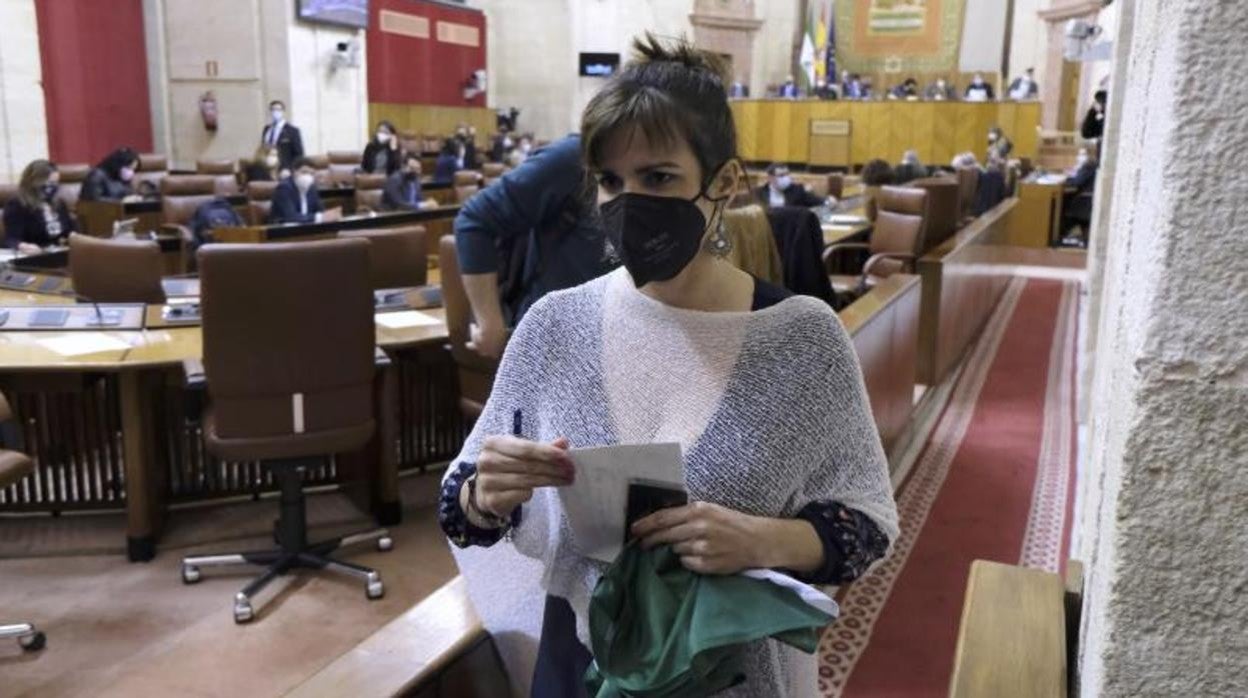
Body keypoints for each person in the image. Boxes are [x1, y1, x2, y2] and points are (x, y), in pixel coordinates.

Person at [439, 35, 898, 697]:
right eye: (610, 181)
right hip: (581, 666)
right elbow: (460, 504)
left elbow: (867, 528)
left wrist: (764, 541)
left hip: (730, 675)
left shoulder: (802, 338)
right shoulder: (554, 325)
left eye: (657, 178)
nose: (628, 203)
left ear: (724, 183)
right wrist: (487, 494)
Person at [453, 133, 617, 359]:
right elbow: (475, 219)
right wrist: (490, 324)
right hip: (553, 349)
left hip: (629, 343)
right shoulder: (573, 157)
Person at [3, 159, 76, 254]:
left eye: (55, 183)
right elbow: (11, 239)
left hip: (59, 252)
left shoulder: (59, 203)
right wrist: (22, 246)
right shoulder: (18, 204)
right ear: (33, 182)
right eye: (49, 183)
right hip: (34, 255)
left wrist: (75, 238)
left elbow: (70, 231)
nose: (52, 187)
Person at [268, 157, 324, 224]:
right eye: (304, 172)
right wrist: (318, 217)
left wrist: (325, 216)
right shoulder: (284, 188)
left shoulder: (312, 189)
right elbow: (291, 217)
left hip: (305, 226)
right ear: (294, 172)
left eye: (311, 174)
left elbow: (321, 212)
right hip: (281, 227)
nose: (307, 177)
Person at [754, 163, 833, 208]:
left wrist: (829, 201)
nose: (786, 178)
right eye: (781, 175)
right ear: (770, 178)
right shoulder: (759, 192)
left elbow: (817, 201)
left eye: (787, 174)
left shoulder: (797, 190)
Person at [260, 99, 304, 172]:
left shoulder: (292, 131)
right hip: (267, 169)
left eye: (278, 109)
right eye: (273, 109)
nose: (275, 112)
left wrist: (290, 169)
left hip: (285, 169)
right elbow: (263, 149)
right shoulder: (267, 129)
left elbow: (299, 154)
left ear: (283, 111)